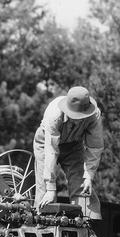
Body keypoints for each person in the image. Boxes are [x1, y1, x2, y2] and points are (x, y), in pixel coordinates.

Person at [32, 86, 104, 220]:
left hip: (73, 145)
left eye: (81, 117)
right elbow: (51, 151)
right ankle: (41, 224)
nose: (77, 120)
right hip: (46, 144)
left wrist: (89, 176)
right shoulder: (54, 115)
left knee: (82, 186)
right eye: (74, 116)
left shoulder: (94, 115)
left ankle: (87, 225)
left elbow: (95, 146)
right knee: (44, 189)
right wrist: (51, 188)